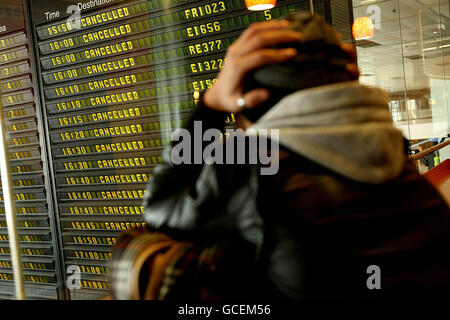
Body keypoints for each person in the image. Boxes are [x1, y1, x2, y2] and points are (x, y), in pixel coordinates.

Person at [140, 13, 450, 299]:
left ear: (249, 101)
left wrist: (210, 105)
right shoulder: (394, 156)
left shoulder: (253, 162)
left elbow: (158, 208)